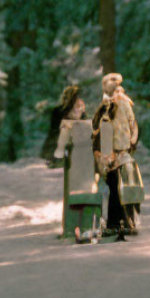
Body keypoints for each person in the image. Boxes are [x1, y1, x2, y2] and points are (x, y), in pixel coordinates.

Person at [92, 72, 143, 239]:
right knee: (124, 187)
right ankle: (126, 223)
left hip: (115, 153)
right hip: (121, 152)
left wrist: (106, 155)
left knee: (116, 188)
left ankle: (117, 224)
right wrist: (131, 146)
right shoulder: (124, 104)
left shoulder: (109, 105)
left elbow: (100, 129)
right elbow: (133, 126)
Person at [50, 86, 102, 242]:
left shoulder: (68, 124)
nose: (78, 109)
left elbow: (61, 145)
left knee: (74, 195)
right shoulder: (92, 124)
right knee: (88, 194)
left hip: (75, 162)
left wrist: (58, 154)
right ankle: (86, 229)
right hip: (88, 162)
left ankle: (71, 230)